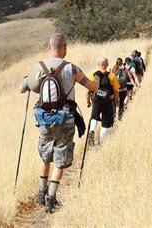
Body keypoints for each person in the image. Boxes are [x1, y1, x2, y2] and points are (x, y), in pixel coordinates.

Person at [19, 33, 98, 213]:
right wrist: (98, 80)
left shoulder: (38, 67)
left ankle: (41, 192)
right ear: (65, 47)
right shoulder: (72, 69)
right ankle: (51, 199)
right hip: (65, 119)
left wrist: (30, 79)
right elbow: (93, 87)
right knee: (60, 157)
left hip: (44, 119)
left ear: (49, 48)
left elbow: (21, 89)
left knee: (45, 155)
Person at [86, 57, 120, 146]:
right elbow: (116, 91)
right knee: (106, 123)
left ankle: (92, 130)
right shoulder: (112, 76)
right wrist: (117, 101)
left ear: (98, 64)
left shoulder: (93, 75)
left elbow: (88, 91)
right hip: (107, 102)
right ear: (107, 65)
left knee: (94, 117)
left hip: (96, 100)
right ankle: (100, 141)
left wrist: (88, 102)